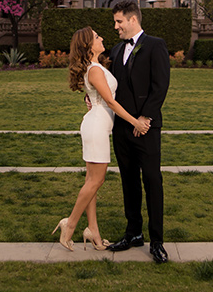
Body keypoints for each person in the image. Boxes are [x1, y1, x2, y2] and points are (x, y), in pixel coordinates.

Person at [53, 26, 151, 251]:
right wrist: (135, 122)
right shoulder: (95, 70)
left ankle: (93, 231)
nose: (102, 38)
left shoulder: (95, 67)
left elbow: (100, 97)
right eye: (97, 37)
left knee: (92, 182)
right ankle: (70, 224)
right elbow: (111, 102)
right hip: (96, 126)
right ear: (88, 45)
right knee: (96, 181)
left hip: (95, 123)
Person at [106, 0, 171, 263]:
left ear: (133, 20)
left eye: (119, 21)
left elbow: (160, 86)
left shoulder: (156, 45)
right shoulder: (116, 48)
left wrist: (144, 118)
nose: (116, 27)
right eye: (115, 22)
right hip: (121, 128)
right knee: (128, 180)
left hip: (146, 128)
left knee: (152, 182)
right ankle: (133, 232)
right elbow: (110, 86)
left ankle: (157, 241)